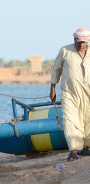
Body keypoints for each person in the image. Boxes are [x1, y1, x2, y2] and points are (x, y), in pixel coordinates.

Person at [50, 28, 90, 161]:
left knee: (88, 119)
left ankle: (86, 148)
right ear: (74, 40)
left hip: (88, 93)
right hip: (69, 93)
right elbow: (56, 69)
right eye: (79, 42)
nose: (81, 45)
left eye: (84, 42)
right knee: (70, 120)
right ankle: (73, 151)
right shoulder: (65, 51)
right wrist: (52, 88)